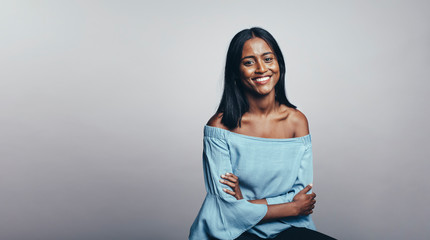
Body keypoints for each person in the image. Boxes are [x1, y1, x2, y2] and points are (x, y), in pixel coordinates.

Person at [189, 27, 335, 240]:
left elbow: (301, 196)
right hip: (229, 232)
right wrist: (290, 208)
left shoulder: (297, 121)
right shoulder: (219, 127)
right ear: (236, 72)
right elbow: (225, 209)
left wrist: (245, 204)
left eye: (267, 59)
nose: (261, 68)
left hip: (285, 227)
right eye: (248, 62)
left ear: (279, 65)